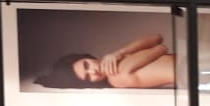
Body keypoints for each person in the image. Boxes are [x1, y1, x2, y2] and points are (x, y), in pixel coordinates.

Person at [35, 35, 175, 90]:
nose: (93, 71)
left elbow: (157, 38)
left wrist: (118, 53)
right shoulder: (116, 75)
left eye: (86, 65)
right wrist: (119, 53)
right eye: (88, 76)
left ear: (87, 57)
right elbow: (161, 48)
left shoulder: (117, 63)